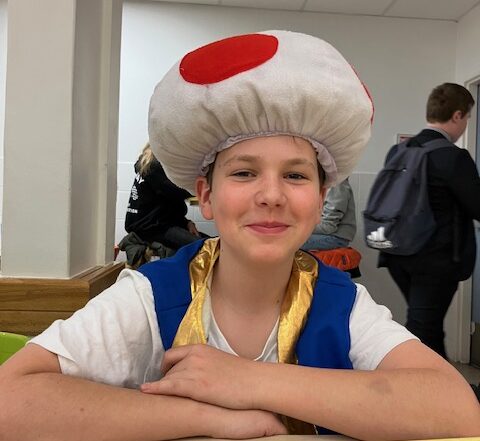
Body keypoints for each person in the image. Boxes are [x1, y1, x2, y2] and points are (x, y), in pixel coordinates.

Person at [1, 32, 479, 441]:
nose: (271, 195)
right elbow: (11, 398)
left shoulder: (344, 305)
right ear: (206, 196)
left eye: (295, 175)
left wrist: (247, 379)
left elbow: (456, 406)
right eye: (245, 172)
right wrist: (211, 417)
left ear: (320, 199)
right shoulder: (150, 298)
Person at [379, 83, 480, 359]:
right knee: (424, 328)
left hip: (396, 253)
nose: (466, 124)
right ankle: (416, 381)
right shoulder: (453, 157)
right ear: (457, 115)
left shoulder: (399, 150)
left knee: (427, 326)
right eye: (467, 117)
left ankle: (437, 382)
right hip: (435, 260)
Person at [120, 143, 208, 266]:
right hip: (150, 227)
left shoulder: (150, 164)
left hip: (154, 223)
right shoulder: (155, 166)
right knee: (204, 247)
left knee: (209, 243)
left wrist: (186, 222)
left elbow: (167, 204)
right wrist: (206, 188)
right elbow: (179, 192)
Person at [302, 178, 356, 250]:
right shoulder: (326, 184)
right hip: (329, 234)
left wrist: (301, 228)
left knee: (292, 243)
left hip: (335, 237)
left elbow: (329, 226)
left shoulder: (336, 186)